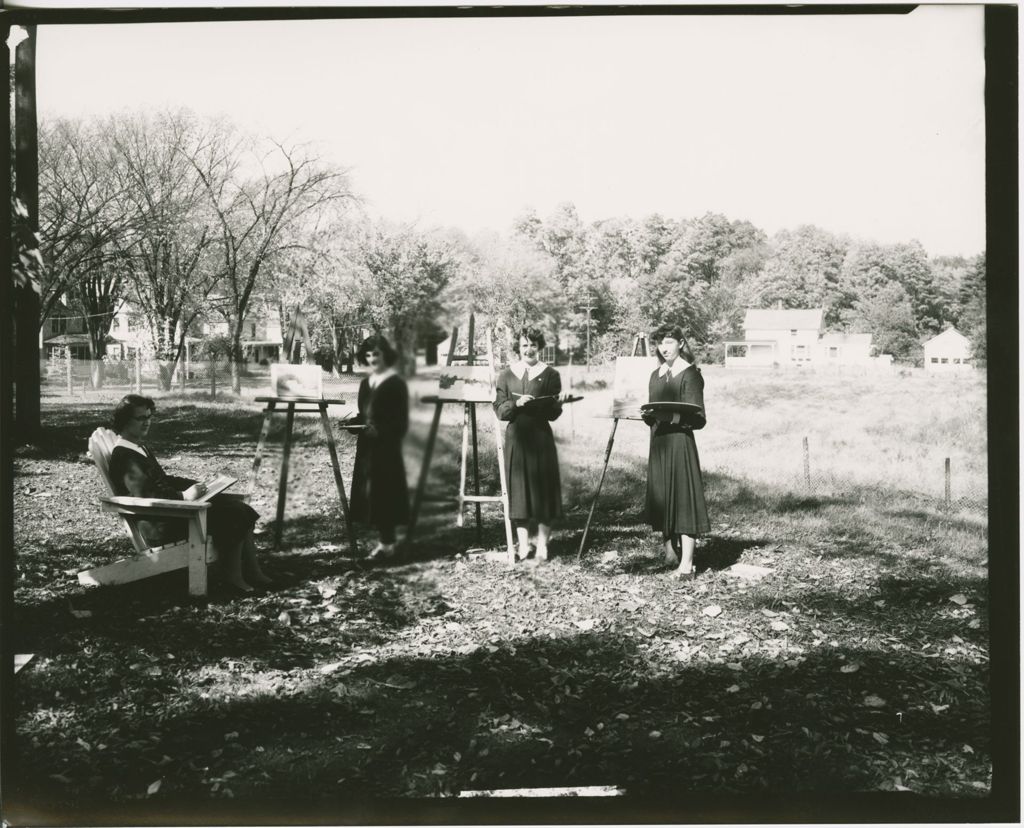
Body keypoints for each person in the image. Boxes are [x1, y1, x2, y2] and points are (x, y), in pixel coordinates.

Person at [108, 394, 270, 595]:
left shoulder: (137, 447)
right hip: (161, 523)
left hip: (172, 513)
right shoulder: (124, 456)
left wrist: (200, 487)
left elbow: (163, 480)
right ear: (124, 421)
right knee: (234, 514)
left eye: (149, 417)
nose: (146, 422)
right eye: (140, 418)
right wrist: (184, 497)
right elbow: (147, 495)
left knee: (241, 509)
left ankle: (253, 572)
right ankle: (233, 578)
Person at [494, 326, 568, 561]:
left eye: (533, 345)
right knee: (519, 491)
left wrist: (559, 403)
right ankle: (524, 545)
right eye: (524, 345)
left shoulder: (550, 374)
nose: (528, 349)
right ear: (518, 347)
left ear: (540, 348)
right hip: (516, 438)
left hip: (541, 438)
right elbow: (500, 409)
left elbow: (553, 414)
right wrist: (517, 405)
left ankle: (544, 545)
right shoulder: (506, 375)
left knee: (544, 491)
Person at [643, 324, 710, 579]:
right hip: (659, 442)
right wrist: (649, 416)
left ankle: (686, 565)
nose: (664, 347)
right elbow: (653, 415)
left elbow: (699, 418)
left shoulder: (690, 374)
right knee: (663, 496)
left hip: (681, 443)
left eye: (669, 342)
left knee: (683, 499)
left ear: (681, 344)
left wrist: (670, 416)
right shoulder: (655, 375)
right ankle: (670, 554)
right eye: (660, 343)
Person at [346, 334, 410, 560]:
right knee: (370, 495)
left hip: (387, 448)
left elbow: (401, 422)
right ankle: (384, 543)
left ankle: (389, 544)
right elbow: (363, 415)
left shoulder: (396, 383)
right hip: (367, 448)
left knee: (385, 495)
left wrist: (381, 431)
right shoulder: (365, 384)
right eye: (369, 354)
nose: (373, 358)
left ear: (386, 355)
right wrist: (353, 424)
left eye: (377, 354)